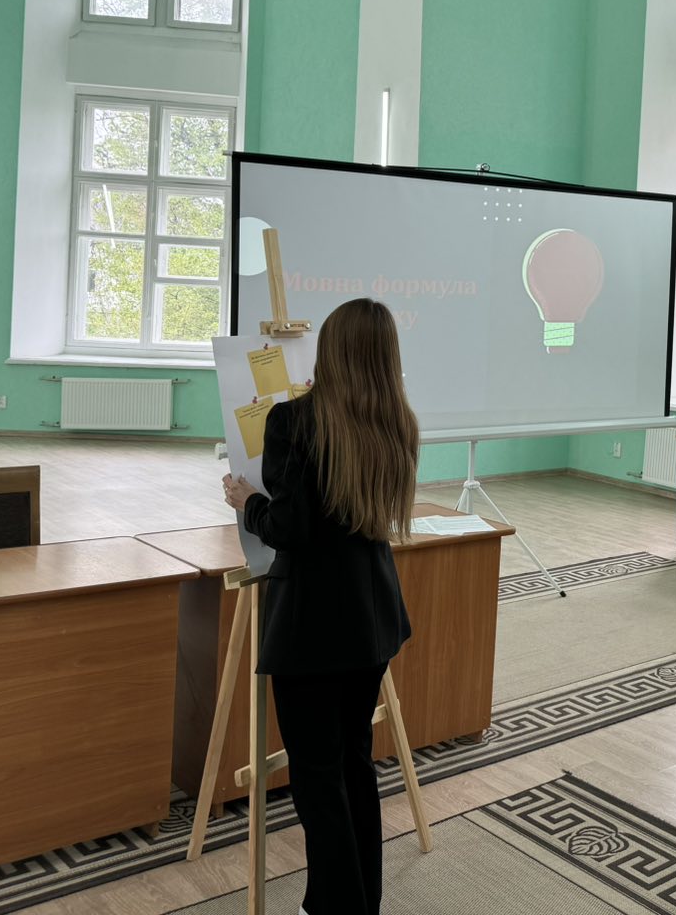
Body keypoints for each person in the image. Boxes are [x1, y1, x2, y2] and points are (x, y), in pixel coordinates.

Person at [221, 298, 418, 915]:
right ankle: (360, 901)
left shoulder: (294, 420)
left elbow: (292, 528)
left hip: (312, 626)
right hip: (370, 618)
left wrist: (247, 502)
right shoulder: (396, 421)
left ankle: (336, 906)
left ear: (330, 350)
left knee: (317, 777)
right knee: (354, 764)